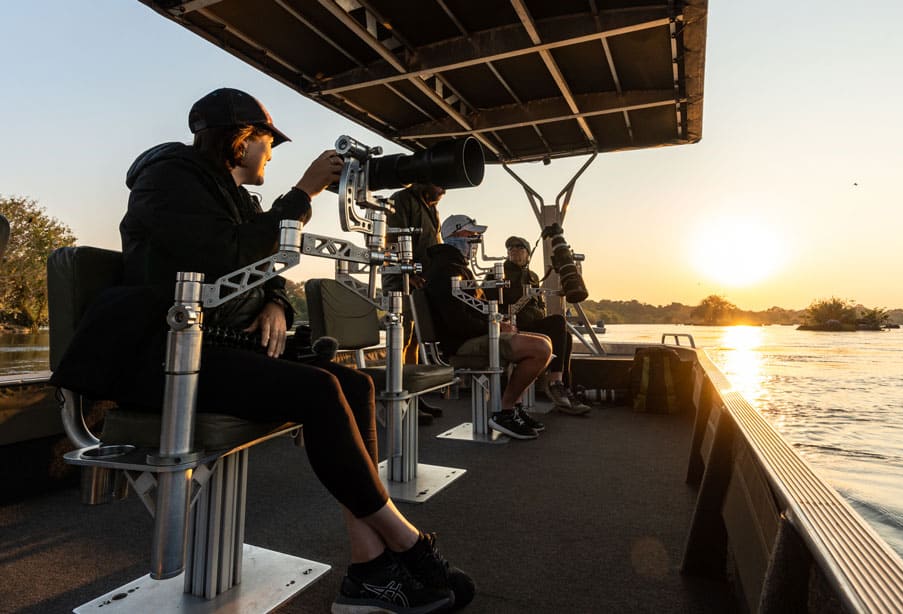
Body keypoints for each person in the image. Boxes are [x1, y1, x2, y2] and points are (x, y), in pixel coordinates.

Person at [52, 88, 471, 614]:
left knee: (355, 382)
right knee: (318, 389)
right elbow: (219, 256)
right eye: (268, 141)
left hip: (216, 351)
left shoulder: (238, 200)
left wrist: (275, 302)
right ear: (242, 139)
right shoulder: (168, 179)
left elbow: (258, 264)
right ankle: (407, 542)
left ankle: (368, 568)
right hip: (159, 356)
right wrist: (303, 192)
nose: (272, 153)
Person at [422, 215, 553, 440]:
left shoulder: (456, 266)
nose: (476, 239)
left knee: (546, 341)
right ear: (455, 235)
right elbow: (456, 321)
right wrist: (493, 327)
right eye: (471, 234)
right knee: (540, 348)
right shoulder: (446, 270)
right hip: (459, 344)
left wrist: (498, 324)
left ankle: (513, 408)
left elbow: (471, 310)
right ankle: (504, 410)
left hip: (471, 336)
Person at [499, 236, 591, 415]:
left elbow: (538, 306)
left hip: (532, 324)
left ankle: (562, 387)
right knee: (557, 322)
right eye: (511, 247)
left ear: (527, 254)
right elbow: (489, 301)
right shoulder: (500, 273)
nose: (514, 249)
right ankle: (555, 384)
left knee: (565, 335)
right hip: (514, 326)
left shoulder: (532, 277)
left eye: (519, 247)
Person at [382, 182, 447, 422]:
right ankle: (397, 399)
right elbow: (395, 237)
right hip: (401, 280)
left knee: (414, 341)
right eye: (440, 187)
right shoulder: (402, 199)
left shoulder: (431, 208)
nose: (443, 192)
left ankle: (412, 395)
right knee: (400, 340)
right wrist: (408, 274)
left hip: (421, 281)